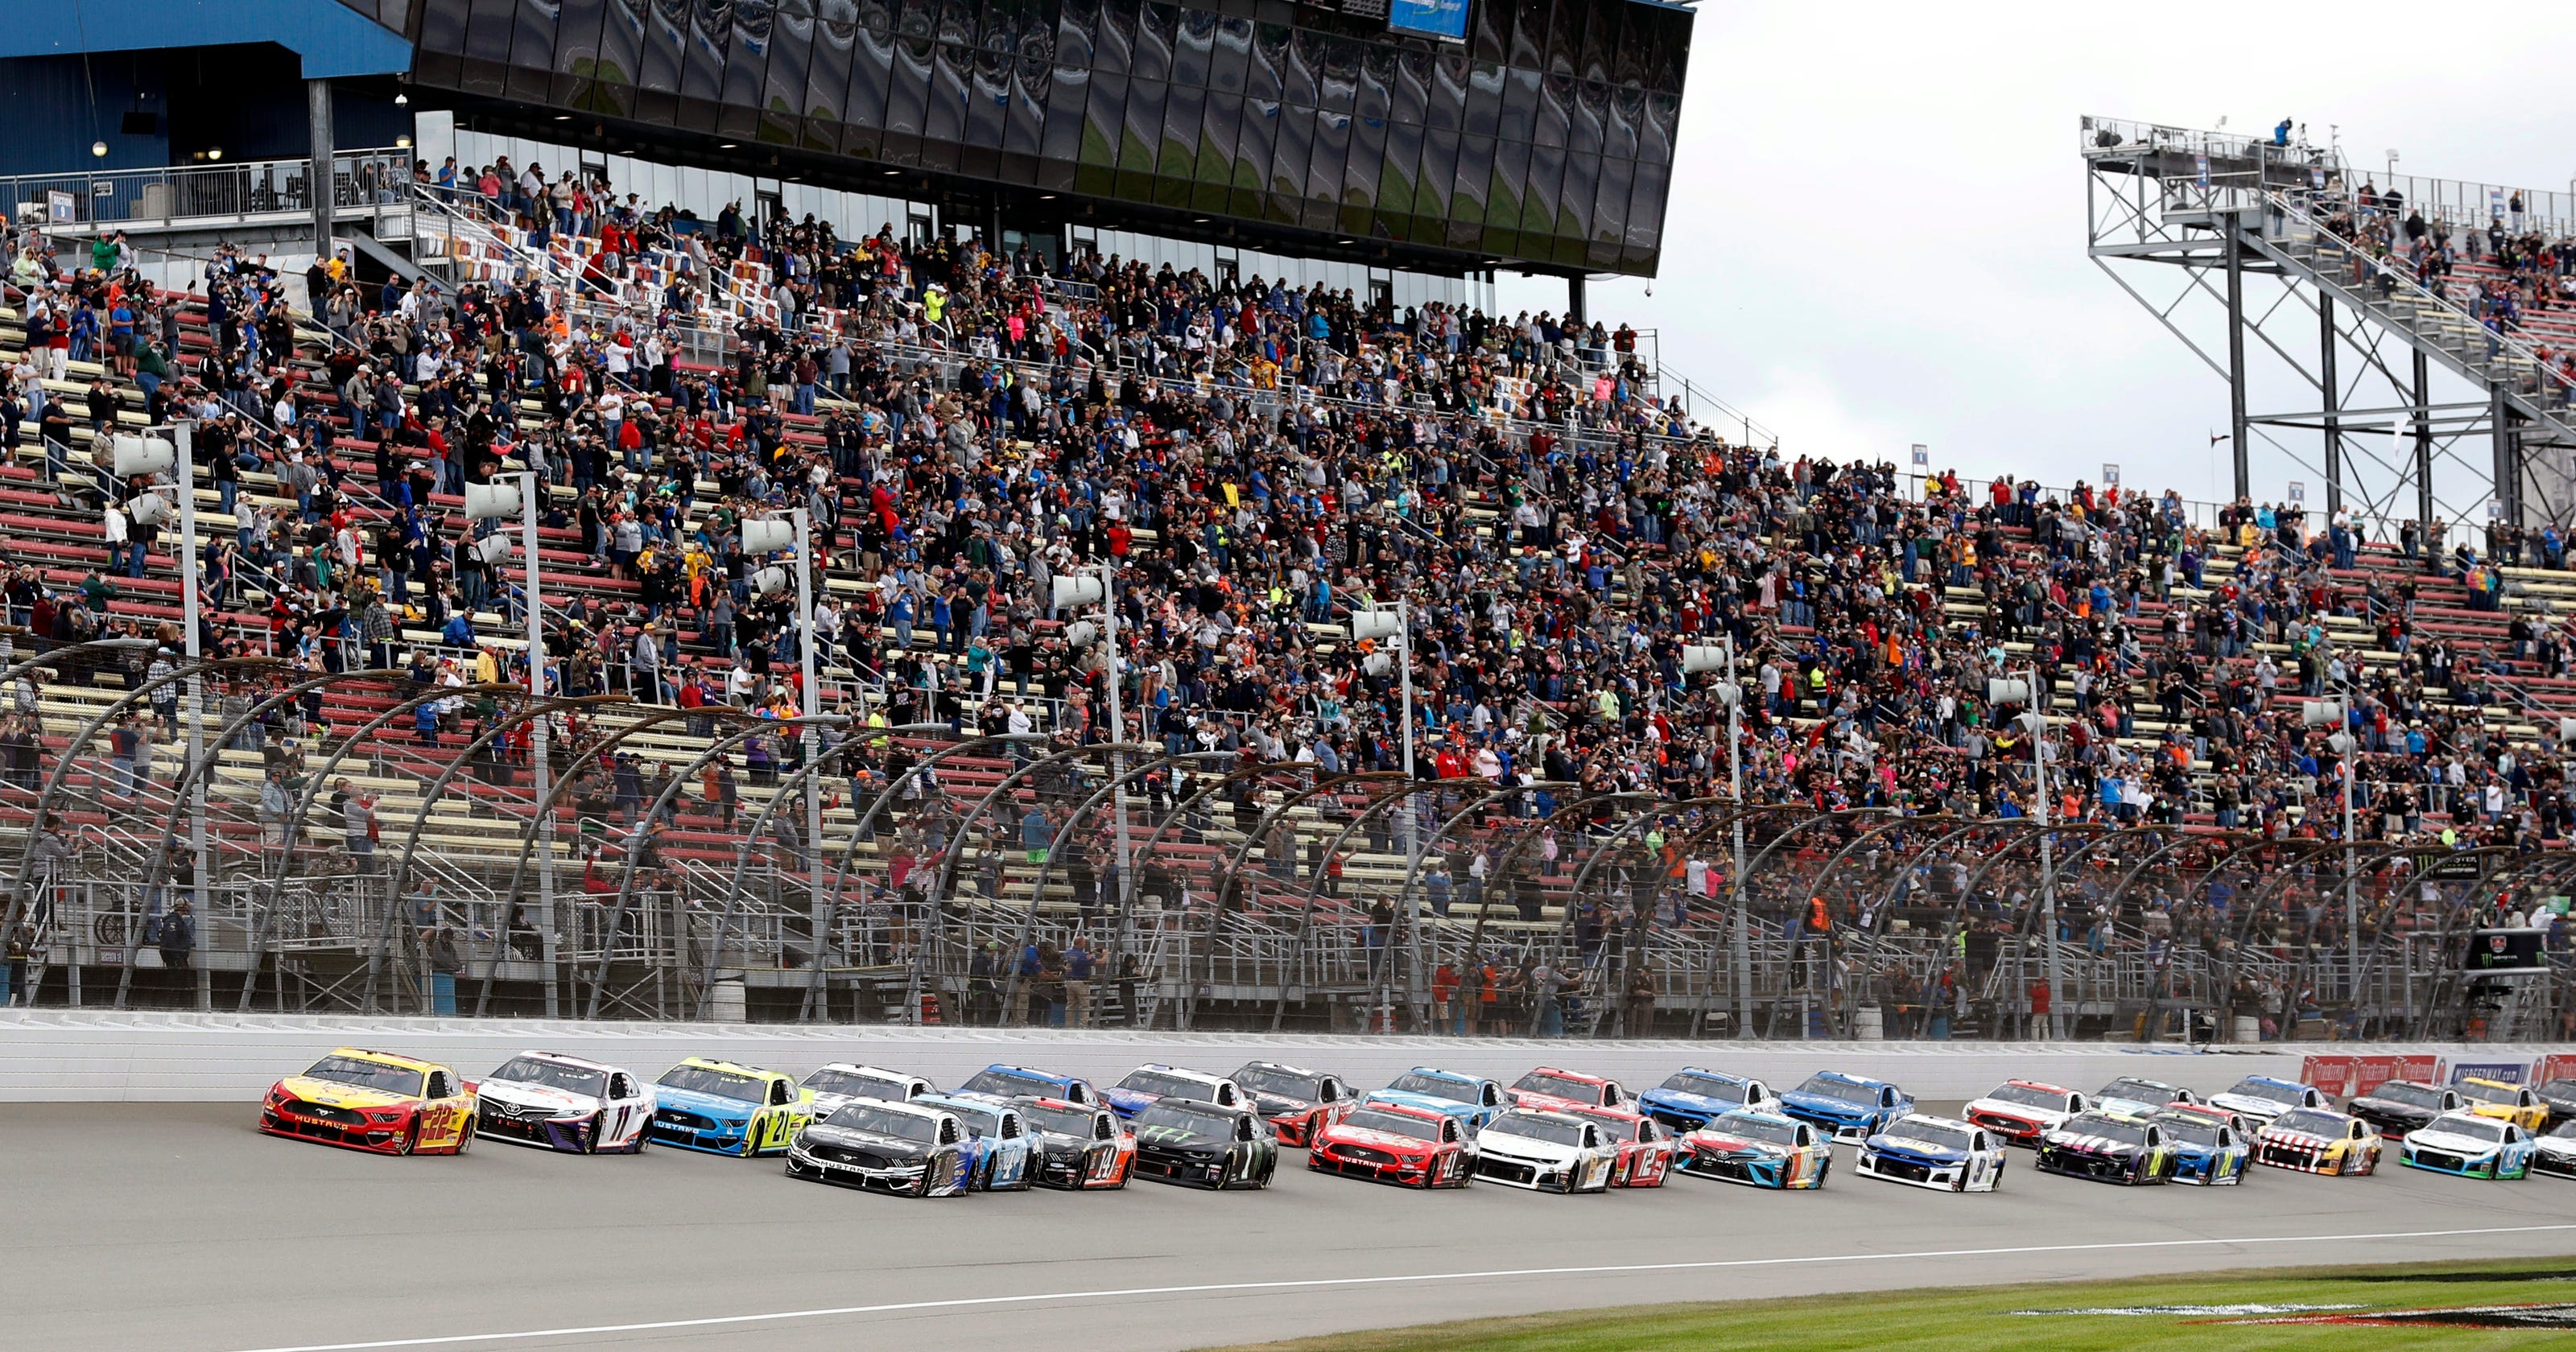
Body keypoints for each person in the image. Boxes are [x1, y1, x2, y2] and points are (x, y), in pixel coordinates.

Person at [157, 897, 196, 971]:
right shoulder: (173, 921)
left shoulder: (178, 921)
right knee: (177, 978)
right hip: (175, 957)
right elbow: (171, 939)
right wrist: (177, 957)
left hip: (179, 956)